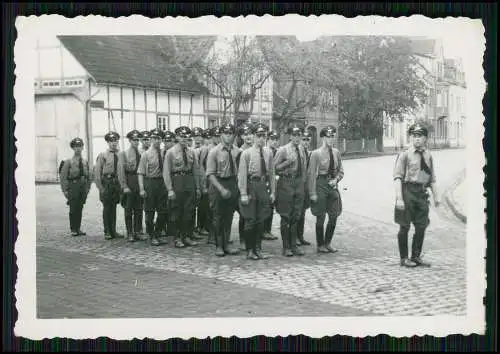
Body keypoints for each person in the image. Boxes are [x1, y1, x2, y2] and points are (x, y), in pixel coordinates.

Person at [393, 123, 440, 268]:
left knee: (421, 225)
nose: (417, 139)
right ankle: (404, 258)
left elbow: (432, 178)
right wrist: (399, 198)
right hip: (407, 191)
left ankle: (416, 256)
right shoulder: (405, 154)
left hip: (421, 193)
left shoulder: (428, 155)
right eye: (414, 136)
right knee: (404, 226)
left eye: (420, 136)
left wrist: (437, 197)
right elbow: (397, 177)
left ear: (425, 138)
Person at [238, 123, 276, 260]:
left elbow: (271, 173)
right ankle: (249, 250)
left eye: (263, 136)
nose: (261, 139)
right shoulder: (246, 154)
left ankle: (258, 249)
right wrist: (243, 193)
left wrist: (272, 192)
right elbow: (242, 175)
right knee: (250, 220)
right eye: (258, 136)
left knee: (261, 220)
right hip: (250, 186)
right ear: (254, 136)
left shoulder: (268, 152)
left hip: (262, 186)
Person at [205, 123, 241, 256]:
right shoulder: (214, 152)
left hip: (232, 183)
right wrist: (221, 189)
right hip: (218, 184)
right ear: (221, 135)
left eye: (231, 133)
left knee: (229, 216)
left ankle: (226, 244)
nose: (228, 136)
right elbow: (210, 174)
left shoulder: (237, 151)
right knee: (218, 217)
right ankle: (219, 246)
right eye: (225, 133)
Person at [307, 125, 344, 254]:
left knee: (334, 215)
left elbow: (341, 171)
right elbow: (311, 175)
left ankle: (328, 242)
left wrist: (336, 180)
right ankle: (320, 244)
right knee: (321, 216)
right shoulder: (316, 154)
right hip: (320, 184)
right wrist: (312, 193)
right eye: (328, 136)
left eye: (332, 136)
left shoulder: (336, 152)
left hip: (332, 185)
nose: (330, 139)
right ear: (323, 137)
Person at [273, 124, 308, 257]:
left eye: (299, 135)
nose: (297, 137)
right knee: (286, 216)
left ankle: (294, 245)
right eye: (294, 135)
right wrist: (287, 162)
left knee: (296, 216)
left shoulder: (301, 149)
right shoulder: (283, 150)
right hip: (286, 182)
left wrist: (303, 184)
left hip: (298, 183)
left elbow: (304, 168)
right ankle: (286, 247)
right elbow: (274, 168)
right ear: (290, 136)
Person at [164, 126, 202, 248]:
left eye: (186, 136)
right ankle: (177, 238)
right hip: (177, 181)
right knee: (177, 211)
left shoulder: (191, 152)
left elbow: (196, 170)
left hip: (189, 181)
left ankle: (187, 236)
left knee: (189, 211)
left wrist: (197, 187)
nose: (184, 139)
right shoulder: (170, 152)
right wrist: (170, 189)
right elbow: (166, 172)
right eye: (181, 136)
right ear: (177, 137)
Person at [137, 128, 169, 246]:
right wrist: (141, 188)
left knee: (163, 211)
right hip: (150, 183)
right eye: (154, 138)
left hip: (161, 183)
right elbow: (140, 172)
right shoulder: (146, 155)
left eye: (159, 138)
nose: (156, 141)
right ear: (151, 139)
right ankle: (152, 235)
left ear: (161, 140)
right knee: (149, 212)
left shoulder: (163, 153)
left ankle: (158, 233)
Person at [59, 138, 92, 237]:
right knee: (73, 208)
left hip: (83, 186)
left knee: (80, 207)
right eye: (76, 147)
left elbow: (88, 176)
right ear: (73, 148)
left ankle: (78, 228)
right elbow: (63, 177)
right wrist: (65, 190)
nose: (78, 149)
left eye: (80, 146)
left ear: (82, 147)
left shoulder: (85, 161)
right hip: (73, 185)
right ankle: (73, 229)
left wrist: (88, 188)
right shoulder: (68, 162)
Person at [94, 131, 124, 240]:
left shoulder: (120, 155)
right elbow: (97, 173)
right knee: (107, 207)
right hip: (107, 183)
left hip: (116, 183)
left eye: (115, 140)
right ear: (107, 142)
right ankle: (107, 231)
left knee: (114, 207)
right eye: (111, 141)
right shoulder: (103, 156)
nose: (113, 143)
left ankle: (113, 230)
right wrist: (101, 188)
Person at [117, 130, 144, 242]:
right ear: (129, 141)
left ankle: (137, 231)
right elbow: (121, 171)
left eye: (138, 140)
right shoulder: (124, 154)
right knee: (128, 209)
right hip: (130, 181)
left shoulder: (142, 153)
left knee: (139, 209)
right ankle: (130, 233)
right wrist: (124, 186)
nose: (136, 142)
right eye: (134, 140)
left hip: (139, 182)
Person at [235, 123, 254, 251]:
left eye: (250, 134)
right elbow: (238, 172)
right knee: (244, 214)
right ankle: (243, 240)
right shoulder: (240, 152)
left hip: (255, 185)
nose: (248, 137)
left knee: (255, 214)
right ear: (241, 136)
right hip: (244, 184)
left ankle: (252, 239)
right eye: (245, 134)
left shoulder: (257, 150)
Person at [262, 129, 280, 241]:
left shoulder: (278, 152)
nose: (274, 142)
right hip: (265, 181)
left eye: (276, 139)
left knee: (271, 206)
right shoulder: (264, 151)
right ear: (268, 140)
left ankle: (267, 230)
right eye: (272, 139)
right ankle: (263, 230)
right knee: (265, 206)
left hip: (276, 181)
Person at [191, 127, 208, 239]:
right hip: (191, 181)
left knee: (203, 206)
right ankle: (192, 228)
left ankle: (201, 226)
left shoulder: (204, 149)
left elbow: (202, 167)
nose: (197, 139)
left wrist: (203, 184)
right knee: (192, 206)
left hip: (202, 179)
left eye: (199, 136)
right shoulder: (190, 149)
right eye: (195, 136)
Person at [296, 129, 313, 246]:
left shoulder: (310, 153)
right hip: (297, 186)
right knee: (296, 212)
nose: (306, 142)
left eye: (308, 140)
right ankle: (295, 237)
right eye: (304, 139)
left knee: (302, 212)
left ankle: (300, 236)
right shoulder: (297, 152)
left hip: (306, 187)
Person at [161, 130, 176, 239]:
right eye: (165, 141)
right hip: (161, 182)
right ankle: (162, 228)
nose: (167, 143)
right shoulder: (161, 152)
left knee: (173, 206)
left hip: (173, 181)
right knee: (162, 206)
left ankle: (171, 228)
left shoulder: (174, 152)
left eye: (170, 141)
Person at [137, 130, 152, 236]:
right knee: (139, 206)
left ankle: (149, 227)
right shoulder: (139, 152)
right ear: (141, 140)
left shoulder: (154, 151)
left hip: (149, 181)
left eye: (148, 139)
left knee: (149, 206)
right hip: (139, 179)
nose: (146, 142)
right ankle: (139, 228)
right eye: (144, 139)